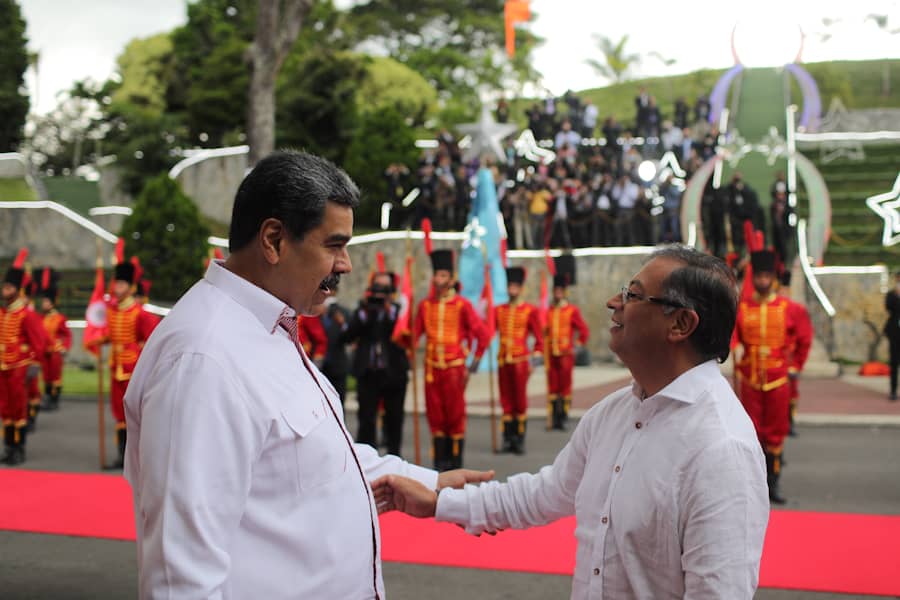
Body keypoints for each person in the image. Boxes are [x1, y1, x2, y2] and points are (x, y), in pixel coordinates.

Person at [123, 150, 492, 599]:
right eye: (334, 245)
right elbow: (181, 579)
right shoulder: (203, 359)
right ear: (274, 240)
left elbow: (319, 456)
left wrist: (430, 481)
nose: (346, 265)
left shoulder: (267, 325)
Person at [373, 245, 769, 599]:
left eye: (632, 294)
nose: (614, 302)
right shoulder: (613, 412)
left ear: (681, 324)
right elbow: (541, 495)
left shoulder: (721, 447)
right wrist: (440, 502)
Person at [733, 250, 810, 504]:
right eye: (760, 276)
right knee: (751, 433)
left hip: (778, 380)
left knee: (775, 434)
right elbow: (733, 335)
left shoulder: (790, 309)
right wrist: (734, 348)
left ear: (773, 278)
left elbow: (804, 338)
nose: (763, 281)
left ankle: (772, 485)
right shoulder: (742, 308)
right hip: (750, 379)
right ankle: (751, 485)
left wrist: (796, 365)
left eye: (767, 276)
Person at [413, 247, 489, 471]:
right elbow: (412, 336)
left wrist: (473, 363)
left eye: (443, 275)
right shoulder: (425, 306)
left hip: (455, 369)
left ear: (452, 278)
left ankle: (455, 463)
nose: (438, 280)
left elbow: (482, 335)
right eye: (436, 275)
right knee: (435, 414)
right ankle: (440, 463)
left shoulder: (462, 305)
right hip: (431, 369)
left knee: (455, 415)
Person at [92, 249, 159, 468]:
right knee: (118, 413)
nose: (117, 288)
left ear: (130, 287)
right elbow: (112, 334)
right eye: (116, 284)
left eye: (121, 285)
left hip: (133, 368)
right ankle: (122, 456)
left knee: (134, 413)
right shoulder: (112, 312)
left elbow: (152, 340)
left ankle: (136, 457)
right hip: (115, 366)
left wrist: (139, 350)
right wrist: (100, 340)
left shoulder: (139, 313)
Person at [342, 271, 410, 456]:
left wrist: (389, 311)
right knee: (366, 418)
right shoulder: (363, 311)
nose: (380, 294)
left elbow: (405, 336)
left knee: (394, 419)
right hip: (368, 373)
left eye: (384, 289)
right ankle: (366, 459)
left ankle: (394, 457)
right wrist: (364, 314)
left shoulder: (398, 312)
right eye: (377, 288)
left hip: (394, 373)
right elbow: (348, 336)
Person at [1, 249, 46, 465]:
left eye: (9, 287)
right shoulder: (3, 313)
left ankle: (19, 449)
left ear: (17, 290)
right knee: (5, 408)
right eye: (4, 286)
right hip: (3, 368)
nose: (5, 290)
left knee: (19, 408)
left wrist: (34, 364)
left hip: (19, 366)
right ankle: (9, 447)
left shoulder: (26, 315)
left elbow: (39, 341)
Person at [495, 266, 543, 454]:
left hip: (521, 361)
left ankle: (519, 439)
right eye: (509, 286)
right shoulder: (499, 310)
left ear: (521, 288)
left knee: (520, 401)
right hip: (503, 362)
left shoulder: (530, 310)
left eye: (515, 286)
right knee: (506, 401)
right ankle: (507, 439)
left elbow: (539, 339)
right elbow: (488, 329)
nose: (512, 289)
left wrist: (534, 362)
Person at [545, 255, 589, 430]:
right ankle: (554, 417)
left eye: (560, 291)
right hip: (551, 353)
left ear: (564, 292)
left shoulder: (571, 311)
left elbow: (584, 330)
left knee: (564, 386)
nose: (557, 294)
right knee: (553, 386)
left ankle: (562, 417)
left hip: (565, 353)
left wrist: (577, 345)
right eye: (555, 291)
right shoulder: (548, 310)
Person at [778, 271, 813, 434]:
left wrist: (798, 363)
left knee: (790, 393)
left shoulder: (795, 309)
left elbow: (804, 339)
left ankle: (789, 422)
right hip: (773, 358)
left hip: (788, 359)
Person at [37, 267, 71, 412]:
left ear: (51, 303)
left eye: (45, 301)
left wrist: (64, 347)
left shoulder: (59, 318)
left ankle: (54, 400)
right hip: (45, 352)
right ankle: (47, 399)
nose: (43, 304)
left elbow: (67, 334)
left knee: (55, 377)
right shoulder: (40, 318)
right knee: (46, 376)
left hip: (56, 351)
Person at [884, 270, 900, 401]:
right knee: (894, 362)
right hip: (895, 332)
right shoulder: (891, 294)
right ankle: (893, 390)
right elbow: (888, 308)